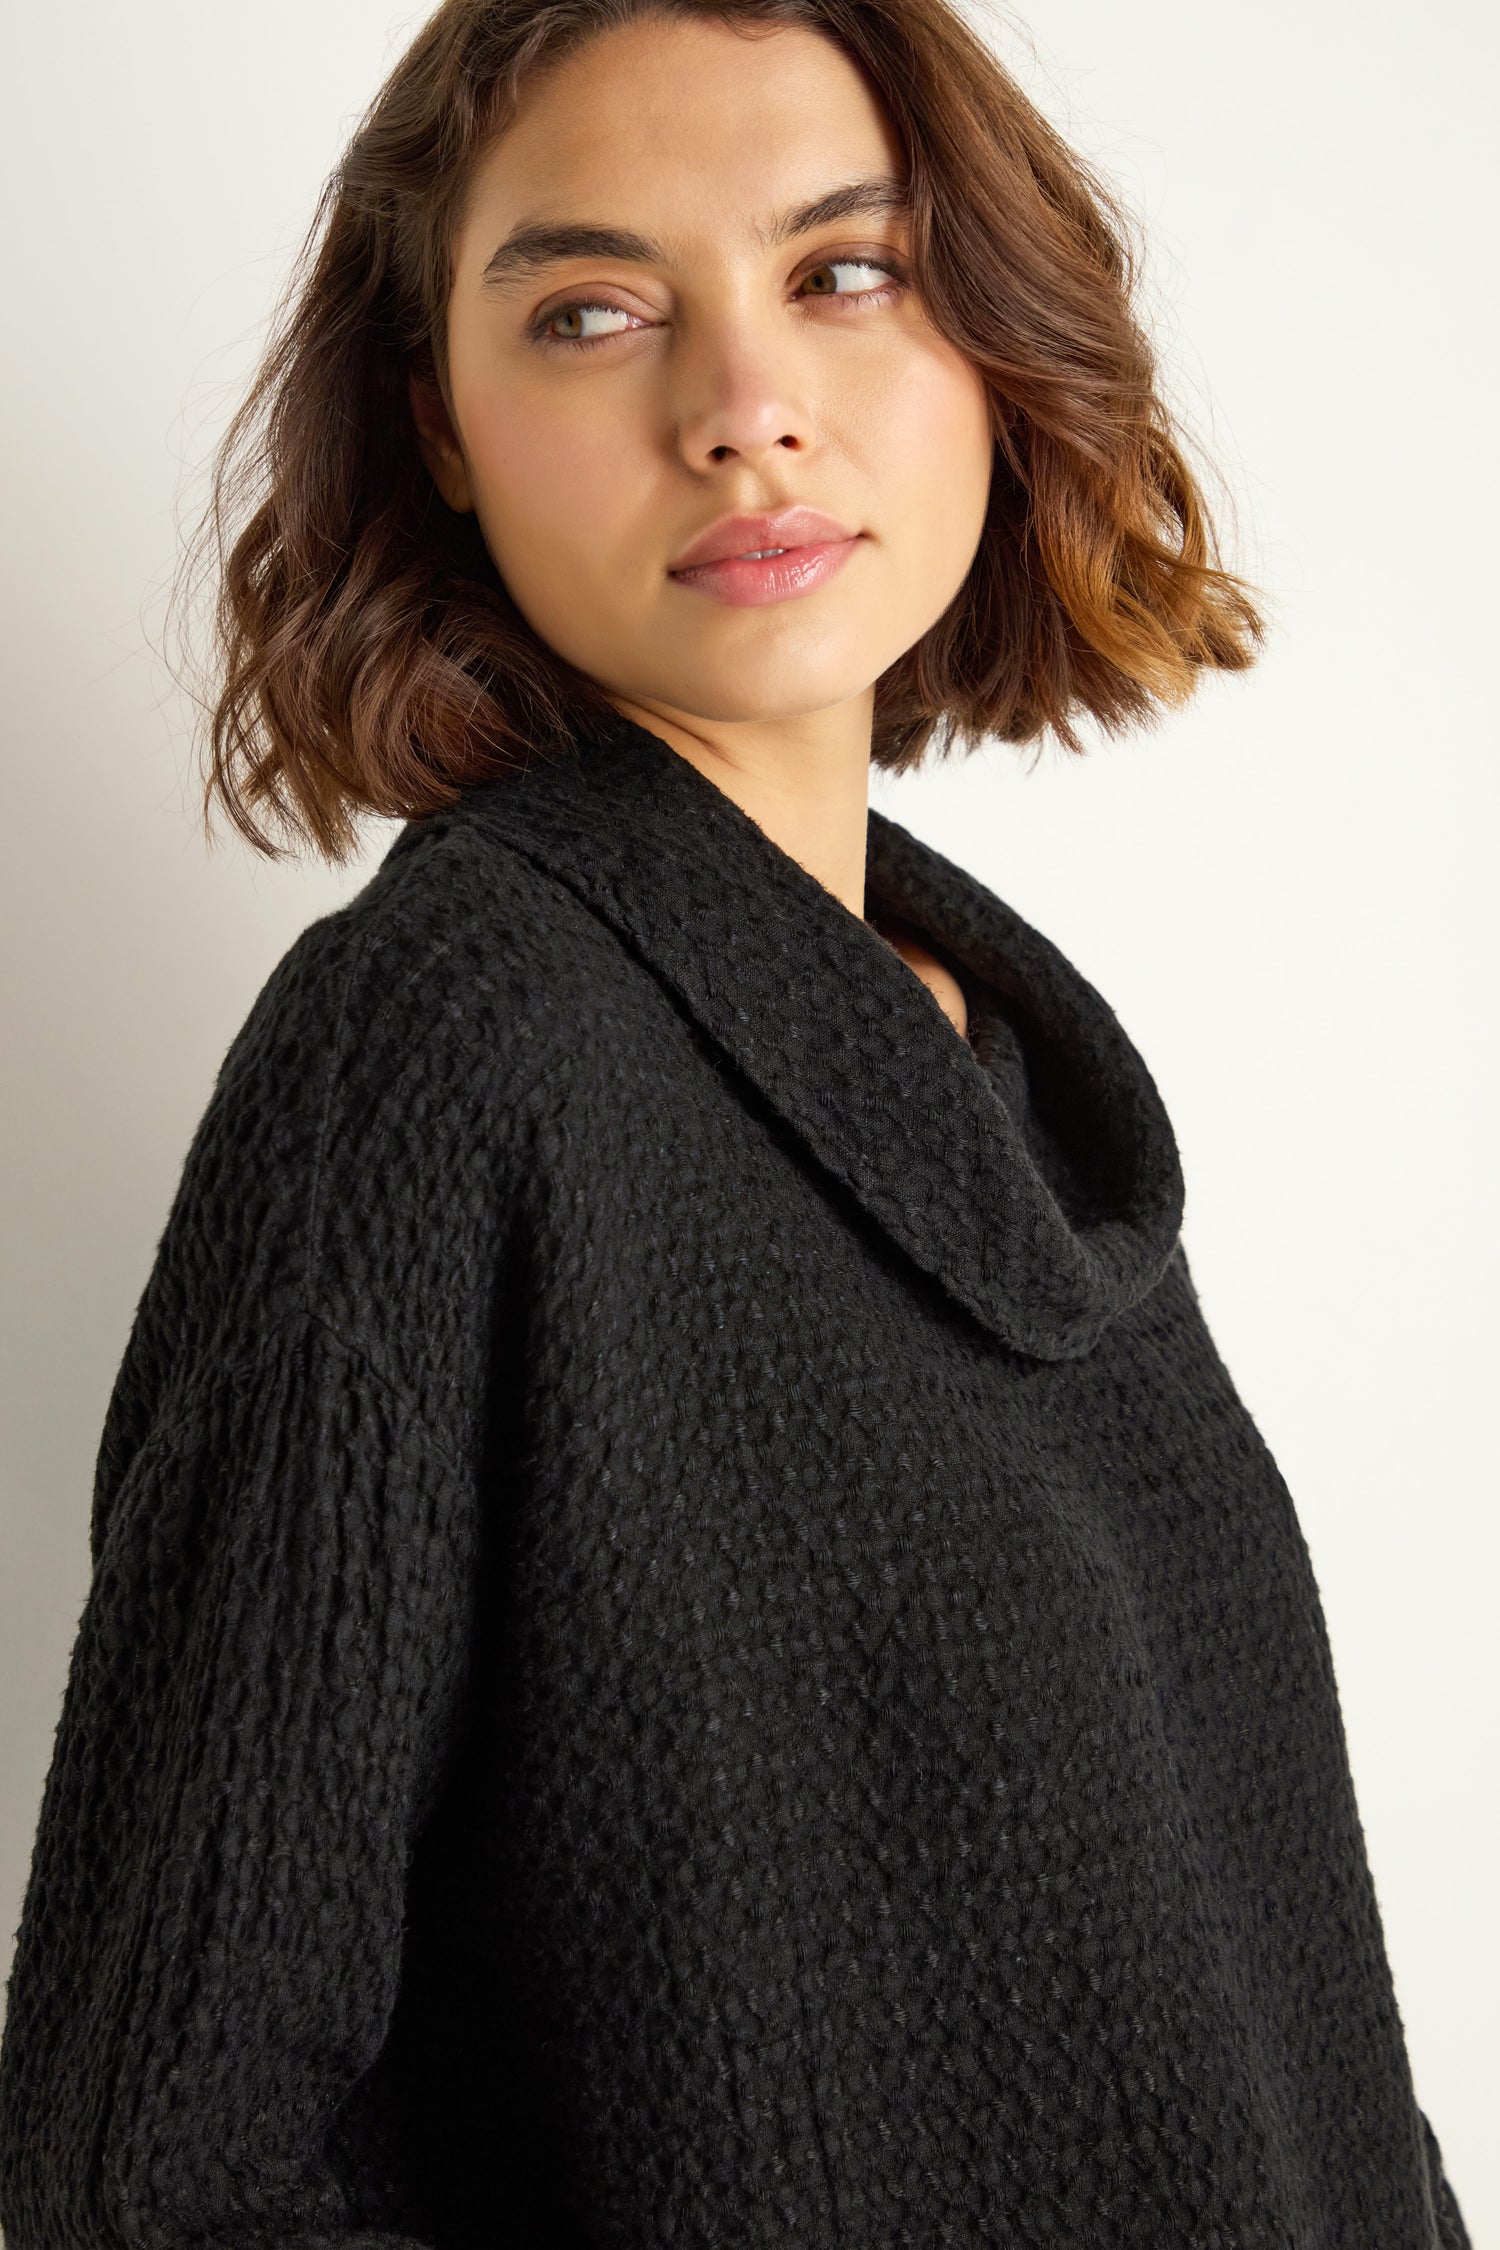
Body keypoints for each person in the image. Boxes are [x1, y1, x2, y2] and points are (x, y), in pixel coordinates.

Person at [0, 0, 1471, 2243]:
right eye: (592, 312)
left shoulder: (1014, 1089)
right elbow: (157, 2163)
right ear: (448, 429)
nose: (741, 409)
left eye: (843, 272)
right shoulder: (438, 1054)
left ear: (992, 331)